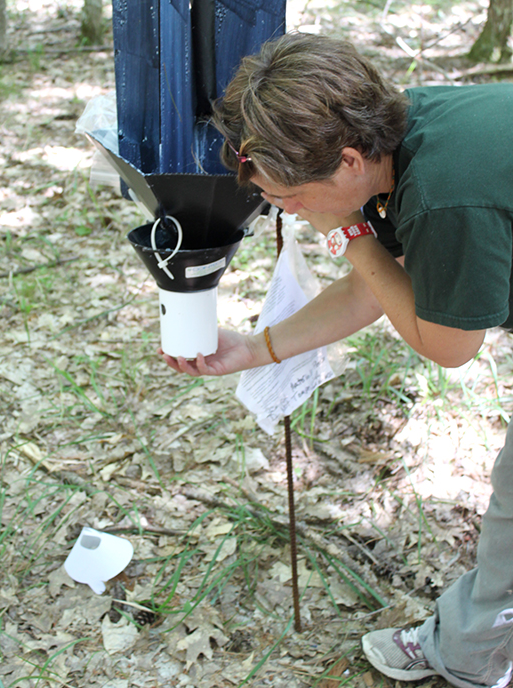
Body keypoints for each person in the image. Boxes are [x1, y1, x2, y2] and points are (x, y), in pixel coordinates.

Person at [159, 32, 513, 686]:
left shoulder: (443, 193)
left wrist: (347, 236)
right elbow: (378, 284)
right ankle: (470, 647)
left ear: (348, 161)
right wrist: (255, 349)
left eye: (289, 198)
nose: (285, 211)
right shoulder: (408, 135)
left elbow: (448, 346)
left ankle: (468, 658)